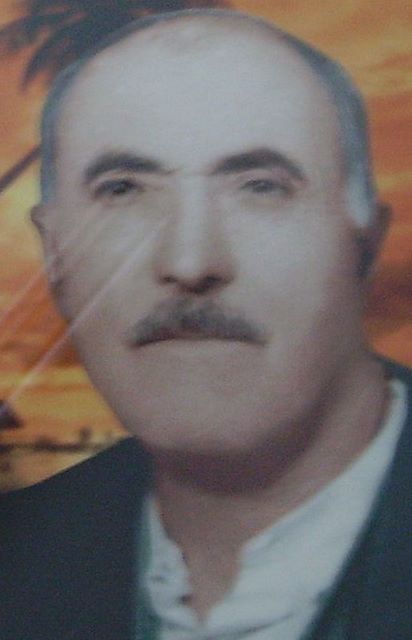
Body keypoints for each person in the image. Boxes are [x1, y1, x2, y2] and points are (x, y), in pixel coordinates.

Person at [1, 8, 411, 640]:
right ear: (53, 252)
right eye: (123, 190)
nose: (190, 262)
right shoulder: (19, 556)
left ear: (365, 243)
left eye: (261, 187)